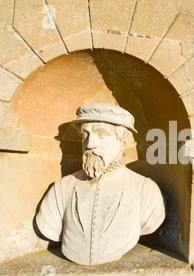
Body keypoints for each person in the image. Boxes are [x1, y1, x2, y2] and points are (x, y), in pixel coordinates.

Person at [35, 103, 165, 266]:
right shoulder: (61, 189)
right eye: (85, 134)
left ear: (122, 141)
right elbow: (49, 226)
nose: (89, 144)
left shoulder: (146, 190)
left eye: (101, 133)